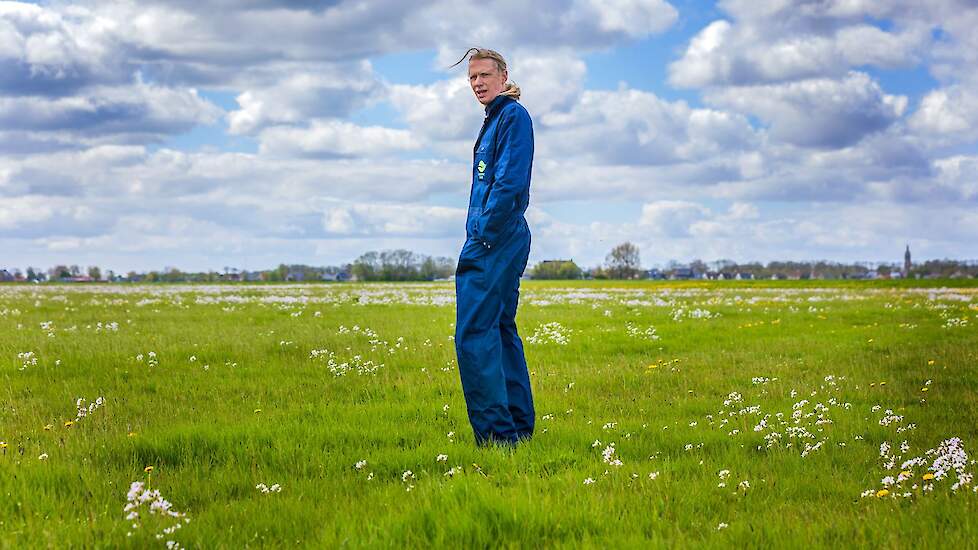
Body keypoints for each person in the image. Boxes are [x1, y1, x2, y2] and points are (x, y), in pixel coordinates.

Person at [451, 48, 535, 446]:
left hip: (495, 239)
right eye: (472, 78)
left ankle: (497, 437)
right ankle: (517, 429)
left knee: (473, 335)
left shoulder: (512, 116)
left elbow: (509, 183)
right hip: (498, 236)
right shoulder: (495, 120)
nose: (478, 84)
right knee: (499, 330)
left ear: (503, 77)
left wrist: (483, 233)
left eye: (485, 75)